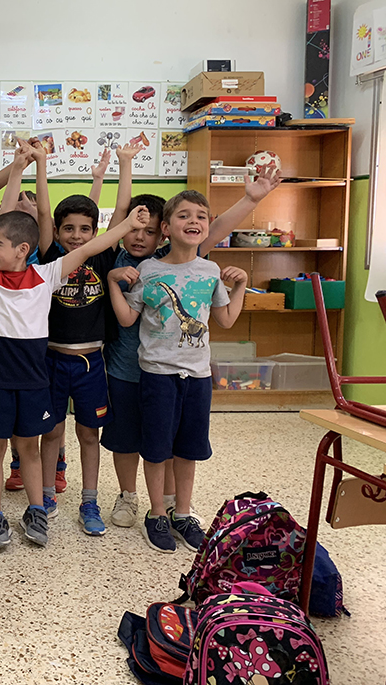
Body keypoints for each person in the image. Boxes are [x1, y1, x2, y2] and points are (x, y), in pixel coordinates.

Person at [0, 140, 151, 551]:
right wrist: (15, 168)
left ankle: (37, 511)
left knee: (31, 449)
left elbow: (91, 246)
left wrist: (126, 226)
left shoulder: (46, 274)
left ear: (22, 250)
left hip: (34, 379)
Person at [102, 163, 282, 528]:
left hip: (178, 369)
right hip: (126, 367)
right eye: (133, 229)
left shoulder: (189, 260)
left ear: (162, 234)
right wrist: (122, 167)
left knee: (167, 441)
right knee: (126, 439)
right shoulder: (115, 258)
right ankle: (128, 496)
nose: (140, 237)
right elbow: (120, 218)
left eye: (149, 231)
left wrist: (250, 199)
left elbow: (211, 228)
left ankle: (171, 503)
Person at [108, 190, 248, 553]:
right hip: (157, 374)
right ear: (166, 228)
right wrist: (112, 283)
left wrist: (242, 286)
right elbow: (127, 319)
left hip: (198, 377)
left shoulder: (210, 270)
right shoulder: (148, 271)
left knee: (189, 449)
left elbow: (227, 319)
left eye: (201, 216)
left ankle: (181, 513)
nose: (195, 222)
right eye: (184, 216)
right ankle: (156, 514)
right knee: (155, 448)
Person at [39, 143, 138, 537]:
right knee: (51, 432)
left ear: (95, 232)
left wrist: (125, 165)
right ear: (58, 232)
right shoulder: (50, 258)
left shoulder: (101, 257)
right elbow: (44, 213)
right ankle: (46, 497)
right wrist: (42, 163)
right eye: (69, 229)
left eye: (85, 229)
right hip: (51, 360)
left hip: (90, 364)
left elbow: (123, 213)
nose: (77, 236)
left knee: (88, 434)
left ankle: (90, 500)